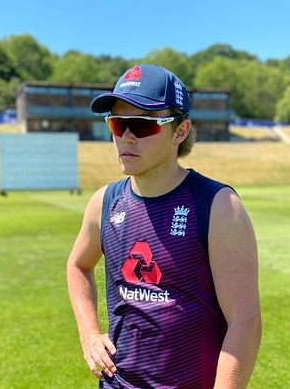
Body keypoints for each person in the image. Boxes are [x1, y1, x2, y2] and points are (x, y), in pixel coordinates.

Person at [67, 64, 261, 388]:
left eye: (142, 126)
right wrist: (89, 333)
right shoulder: (104, 202)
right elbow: (77, 265)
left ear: (180, 131)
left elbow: (245, 323)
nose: (126, 137)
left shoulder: (218, 206)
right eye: (117, 124)